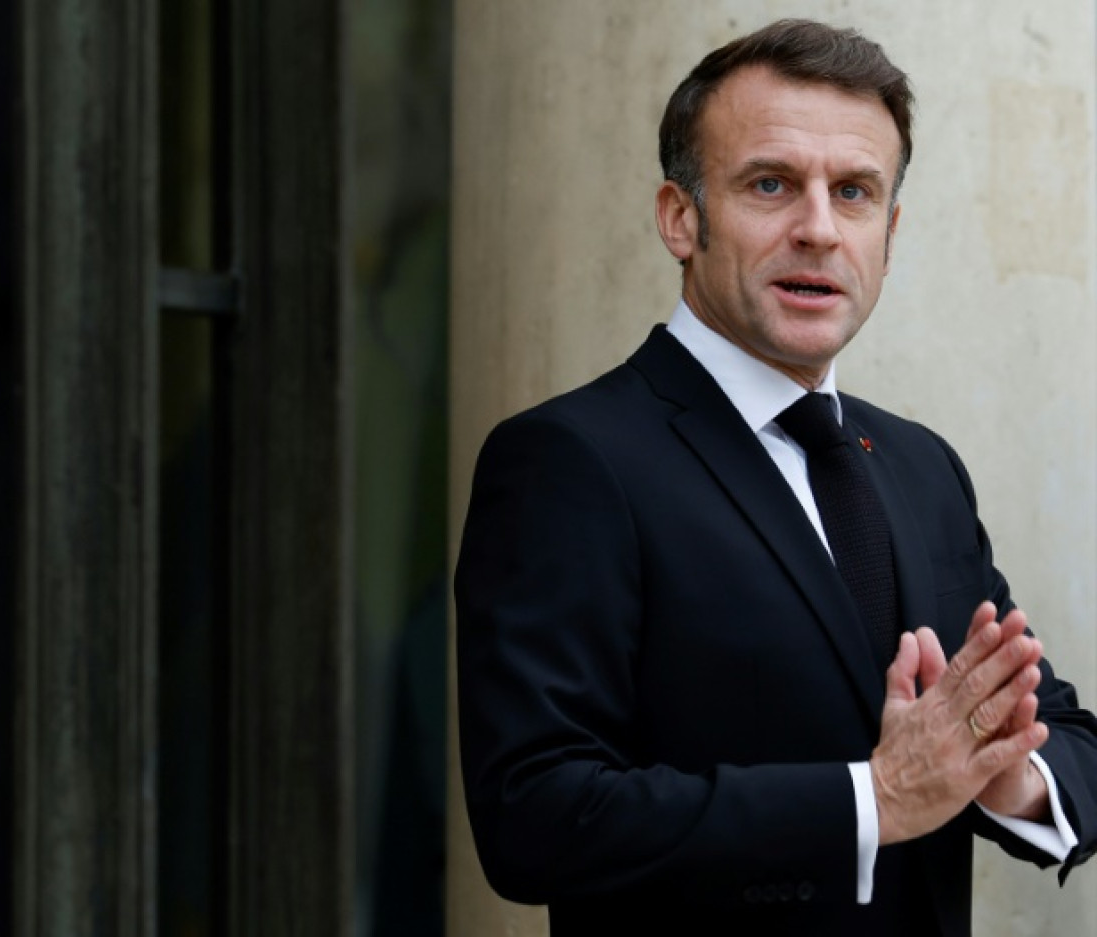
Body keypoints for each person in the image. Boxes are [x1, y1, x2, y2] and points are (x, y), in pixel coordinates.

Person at [454, 19, 1097, 937]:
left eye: (855, 192)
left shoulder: (923, 466)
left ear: (891, 230)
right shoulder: (570, 460)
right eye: (771, 184)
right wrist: (871, 799)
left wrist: (1008, 775)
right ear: (681, 217)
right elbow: (534, 814)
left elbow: (1071, 738)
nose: (819, 229)